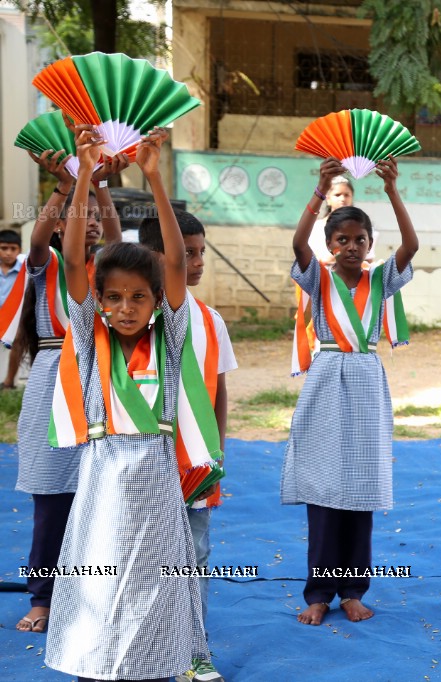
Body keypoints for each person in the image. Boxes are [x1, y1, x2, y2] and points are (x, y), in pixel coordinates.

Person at [45, 125, 208, 681]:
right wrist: (84, 176)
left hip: (159, 484)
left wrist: (155, 178)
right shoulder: (91, 337)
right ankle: (99, 666)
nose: (126, 307)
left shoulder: (171, 335)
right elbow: (72, 265)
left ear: (159, 300)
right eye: (113, 297)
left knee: (157, 586)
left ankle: (160, 666)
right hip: (103, 481)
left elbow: (176, 265)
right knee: (100, 584)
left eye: (139, 297)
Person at [283, 155, 418, 626]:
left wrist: (392, 191)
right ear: (330, 243)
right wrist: (320, 190)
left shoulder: (380, 279)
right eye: (342, 239)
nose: (352, 246)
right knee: (324, 492)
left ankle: (352, 590)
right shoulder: (316, 276)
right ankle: (318, 593)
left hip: (365, 380)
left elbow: (412, 244)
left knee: (359, 492)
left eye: (360, 239)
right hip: (325, 380)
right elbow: (298, 241)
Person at [14, 148, 126, 635]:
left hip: (99, 377)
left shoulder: (106, 271)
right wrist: (65, 186)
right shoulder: (46, 263)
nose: (95, 225)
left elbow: (120, 240)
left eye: (97, 219)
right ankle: (43, 597)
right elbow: (36, 238)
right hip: (50, 379)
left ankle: (93, 591)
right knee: (50, 496)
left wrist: (100, 183)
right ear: (63, 226)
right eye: (84, 220)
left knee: (100, 496)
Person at [138, 209, 237, 682]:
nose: (196, 262)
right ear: (155, 256)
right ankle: (145, 645)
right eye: (187, 252)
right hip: (142, 463)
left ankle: (192, 651)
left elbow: (219, 391)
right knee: (142, 558)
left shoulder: (210, 319)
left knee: (194, 556)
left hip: (195, 464)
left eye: (200, 252)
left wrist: (217, 453)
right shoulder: (133, 318)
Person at [308, 174, 360, 263]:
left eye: (346, 195)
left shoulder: (361, 226)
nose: (342, 199)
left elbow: (367, 260)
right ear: (328, 199)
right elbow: (308, 259)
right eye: (337, 195)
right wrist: (325, 261)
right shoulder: (316, 227)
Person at [0, 228, 28, 389]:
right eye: (4, 248)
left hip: (15, 317)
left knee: (17, 340)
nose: (8, 253)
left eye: (13, 249)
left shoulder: (25, 268)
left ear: (19, 250)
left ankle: (9, 382)